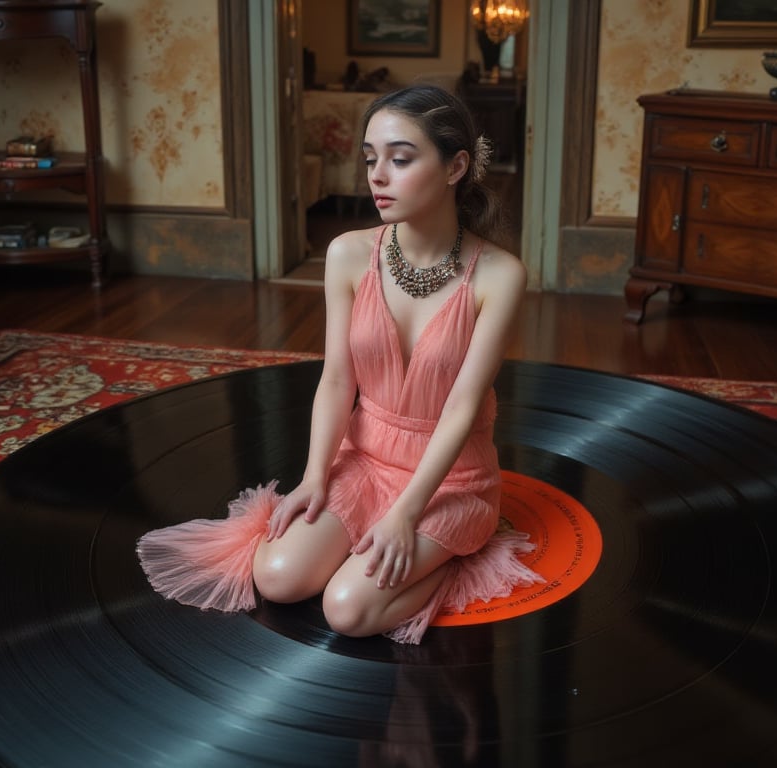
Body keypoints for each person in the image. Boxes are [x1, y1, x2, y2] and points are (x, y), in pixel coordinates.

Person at [138, 84, 541, 644]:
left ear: (456, 167)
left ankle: (453, 556)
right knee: (276, 577)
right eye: (371, 159)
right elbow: (335, 381)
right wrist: (314, 476)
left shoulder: (499, 275)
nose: (377, 176)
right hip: (365, 456)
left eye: (400, 159)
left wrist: (406, 514)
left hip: (449, 479)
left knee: (347, 611)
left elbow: (462, 408)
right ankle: (366, 539)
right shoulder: (349, 253)